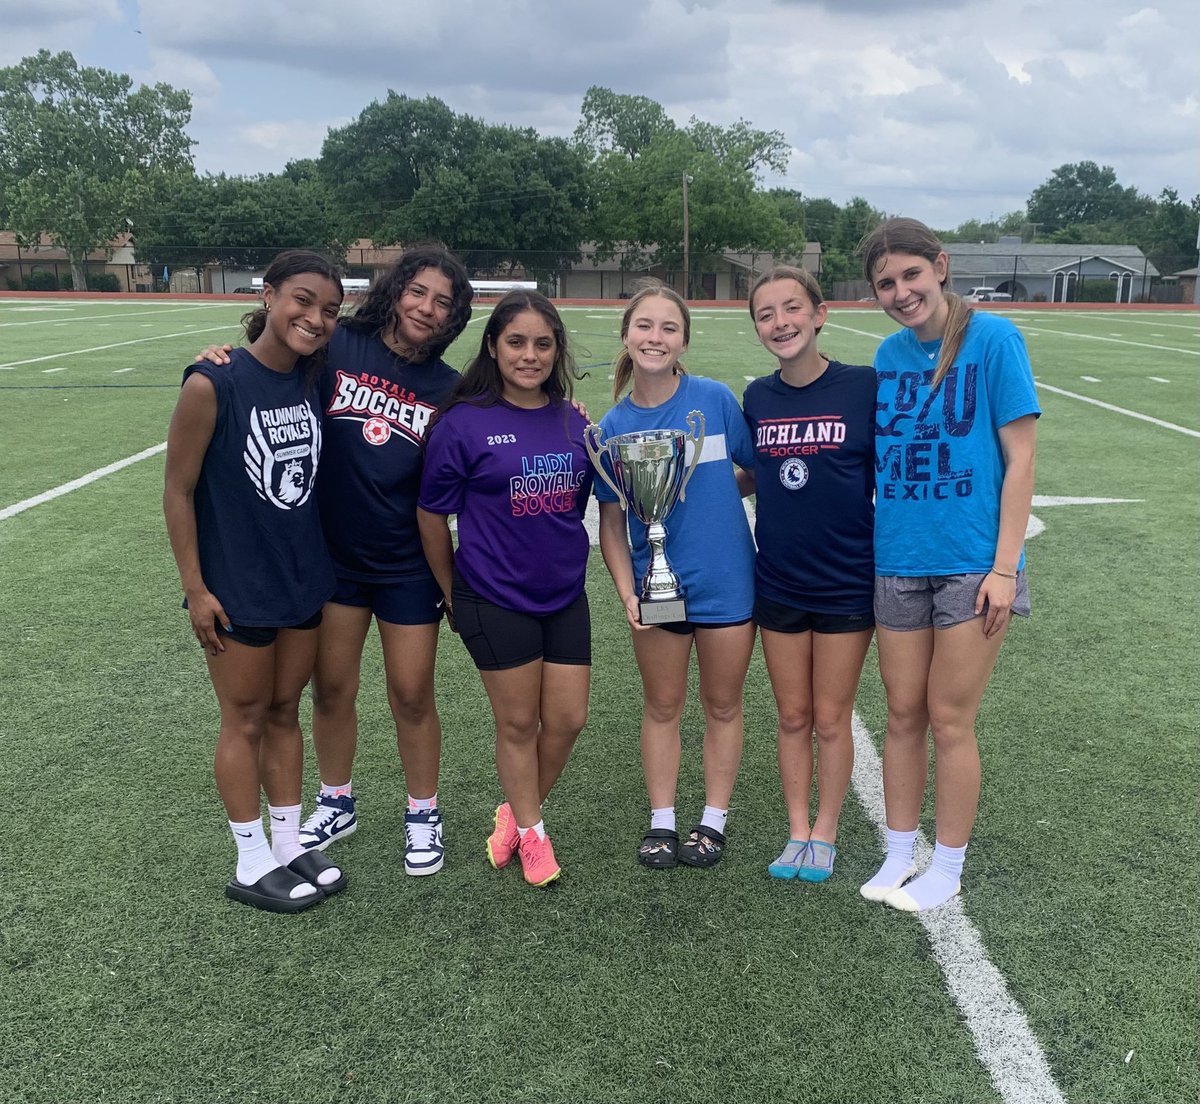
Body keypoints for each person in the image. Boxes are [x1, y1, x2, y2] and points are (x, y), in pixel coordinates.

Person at [195, 246, 473, 876]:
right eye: (418, 292)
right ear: (396, 289)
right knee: (331, 689)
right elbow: (269, 365)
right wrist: (221, 356)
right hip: (331, 560)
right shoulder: (339, 344)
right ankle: (336, 798)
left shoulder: (448, 387)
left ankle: (422, 811)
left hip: (405, 563)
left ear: (455, 316)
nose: (427, 308)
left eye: (443, 302)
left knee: (411, 693)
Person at [859, 217, 1039, 912]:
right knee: (901, 712)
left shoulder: (992, 339)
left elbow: (1021, 458)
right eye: (886, 284)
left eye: (910, 275)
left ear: (939, 266)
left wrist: (1003, 567)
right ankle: (900, 850)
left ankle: (949, 864)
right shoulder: (887, 355)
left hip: (971, 562)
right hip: (899, 556)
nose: (901, 292)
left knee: (948, 717)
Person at [164, 250, 348, 913]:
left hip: (302, 577)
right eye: (302, 300)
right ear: (267, 295)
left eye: (330, 310)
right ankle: (249, 860)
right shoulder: (212, 382)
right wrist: (196, 588)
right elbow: (177, 491)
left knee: (283, 713)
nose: (315, 317)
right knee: (242, 719)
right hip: (237, 583)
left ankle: (288, 842)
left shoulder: (312, 377)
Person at [416, 291, 593, 888]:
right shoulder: (463, 423)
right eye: (516, 341)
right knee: (518, 725)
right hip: (492, 596)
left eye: (543, 344)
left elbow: (587, 504)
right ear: (493, 346)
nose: (530, 354)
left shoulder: (574, 420)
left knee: (567, 719)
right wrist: (450, 591)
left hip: (565, 593)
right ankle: (534, 833)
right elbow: (431, 515)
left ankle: (514, 812)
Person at [595, 284, 756, 870]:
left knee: (722, 704)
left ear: (683, 339)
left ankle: (712, 820)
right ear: (627, 335)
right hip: (656, 586)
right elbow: (611, 523)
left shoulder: (712, 399)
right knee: (662, 705)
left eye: (668, 328)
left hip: (727, 581)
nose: (655, 338)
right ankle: (662, 819)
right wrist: (624, 590)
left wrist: (700, 491)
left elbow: (756, 468)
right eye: (645, 326)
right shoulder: (611, 426)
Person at [741, 267, 876, 884]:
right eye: (766, 315)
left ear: (819, 315)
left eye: (791, 308)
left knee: (830, 717)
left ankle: (827, 830)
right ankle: (797, 830)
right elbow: (754, 473)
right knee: (791, 715)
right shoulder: (758, 398)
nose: (780, 323)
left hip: (848, 580)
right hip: (779, 580)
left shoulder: (862, 387)